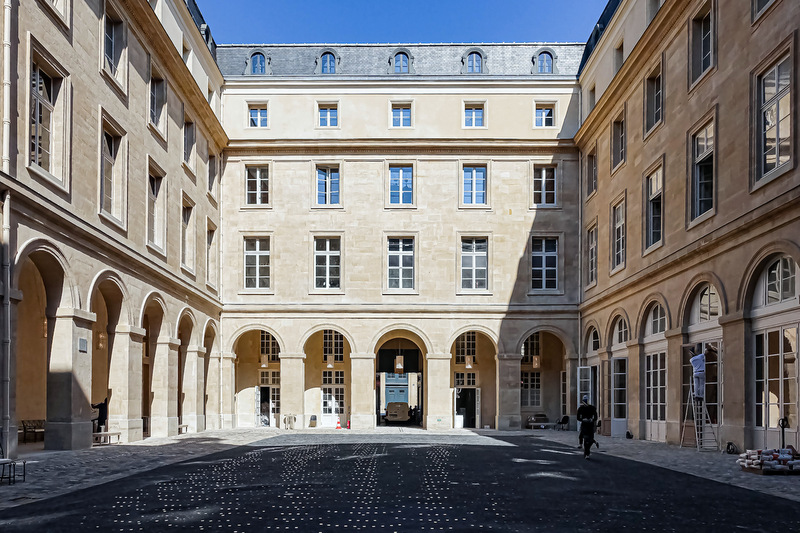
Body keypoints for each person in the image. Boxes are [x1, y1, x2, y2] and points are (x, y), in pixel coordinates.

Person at [577, 395, 598, 459]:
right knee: (585, 439)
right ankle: (587, 453)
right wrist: (583, 419)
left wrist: (592, 420)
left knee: (590, 440)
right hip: (584, 425)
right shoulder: (581, 408)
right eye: (584, 401)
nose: (585, 402)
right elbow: (578, 417)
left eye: (586, 400)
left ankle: (587, 450)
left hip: (590, 425)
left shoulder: (592, 408)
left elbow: (595, 417)